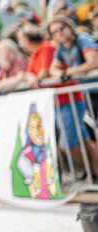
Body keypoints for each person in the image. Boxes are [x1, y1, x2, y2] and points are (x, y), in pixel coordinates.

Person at [47, 16, 98, 175]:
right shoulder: (61, 49)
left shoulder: (83, 40)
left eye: (61, 29)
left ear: (69, 27)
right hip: (88, 94)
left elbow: (94, 61)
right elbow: (52, 69)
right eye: (54, 32)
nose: (59, 33)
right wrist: (63, 73)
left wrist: (69, 72)